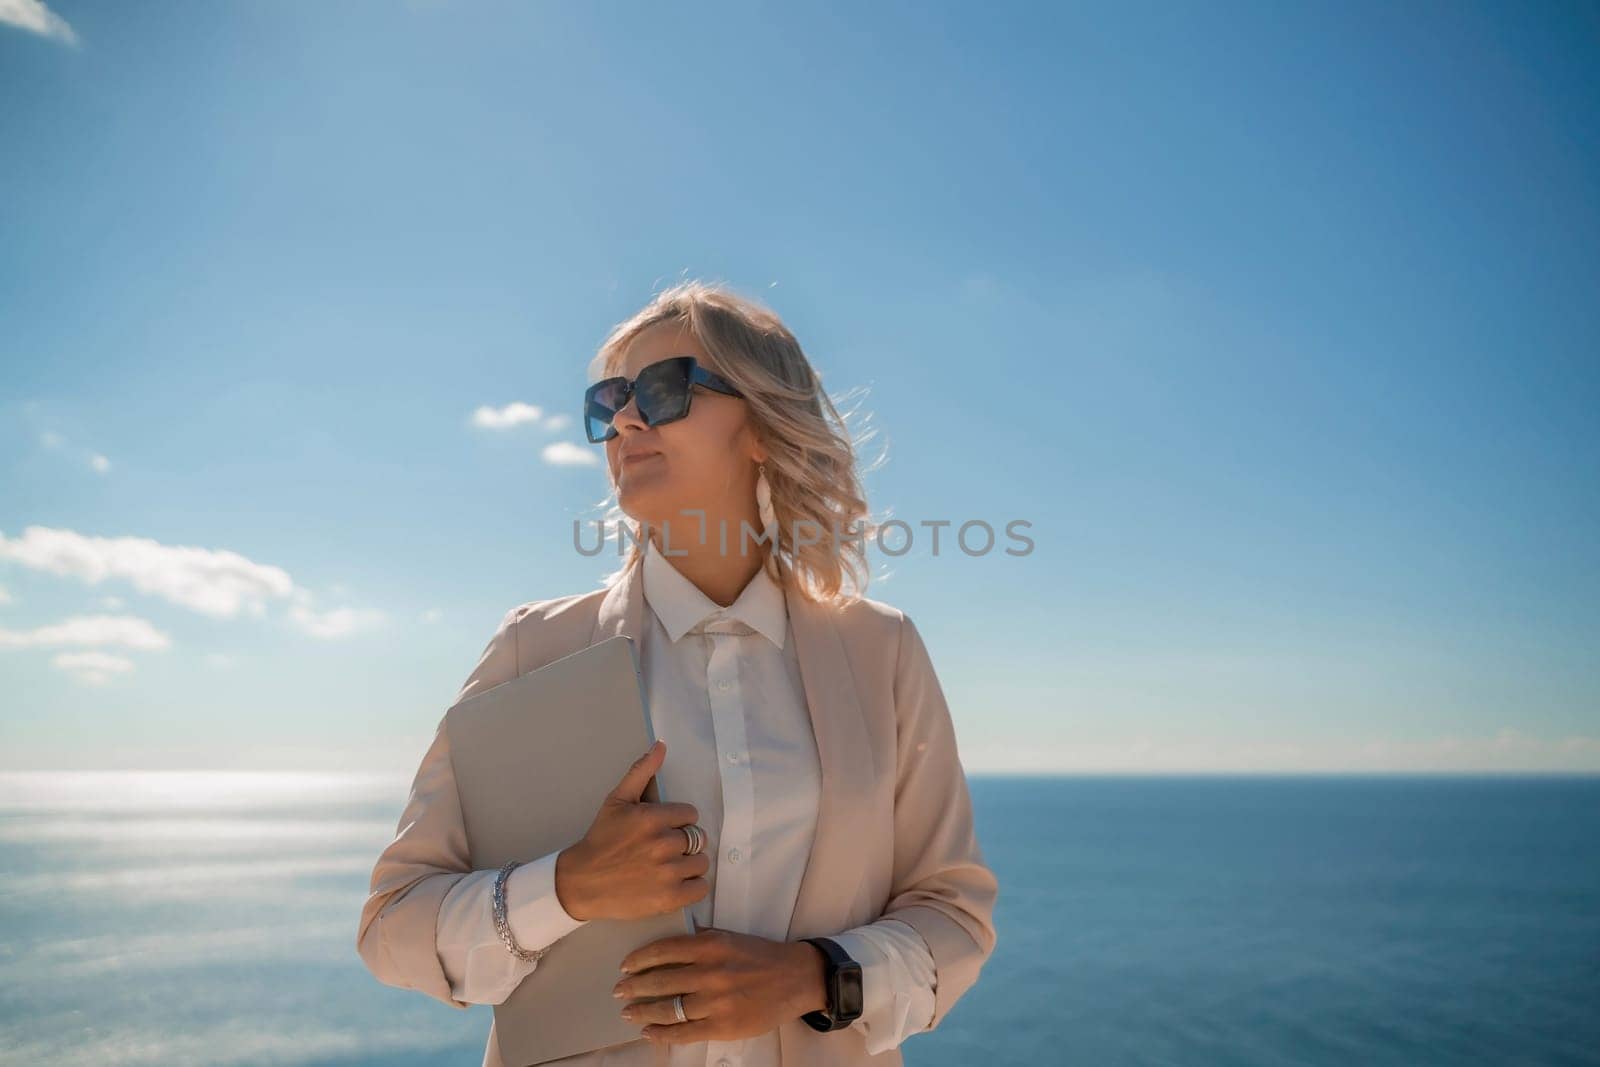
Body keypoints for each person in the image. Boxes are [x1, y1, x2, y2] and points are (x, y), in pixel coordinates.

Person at [356, 280, 998, 1067]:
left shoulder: (883, 652)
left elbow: (953, 914)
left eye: (663, 391)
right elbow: (392, 926)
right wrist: (568, 888)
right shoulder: (534, 648)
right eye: (610, 401)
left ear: (762, 424)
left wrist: (811, 977)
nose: (626, 420)